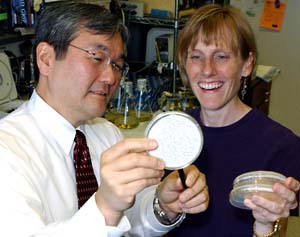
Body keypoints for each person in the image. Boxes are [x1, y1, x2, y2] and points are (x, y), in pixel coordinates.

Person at [0, 2, 209, 236]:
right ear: (46, 59)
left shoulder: (107, 134)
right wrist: (105, 208)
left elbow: (128, 223)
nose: (111, 77)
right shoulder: (8, 151)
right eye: (97, 58)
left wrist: (163, 206)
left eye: (118, 65)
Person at [168, 4, 300, 237]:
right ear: (184, 64)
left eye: (221, 56)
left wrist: (267, 225)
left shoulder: (283, 147)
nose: (207, 70)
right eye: (196, 57)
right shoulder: (172, 133)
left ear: (247, 64)